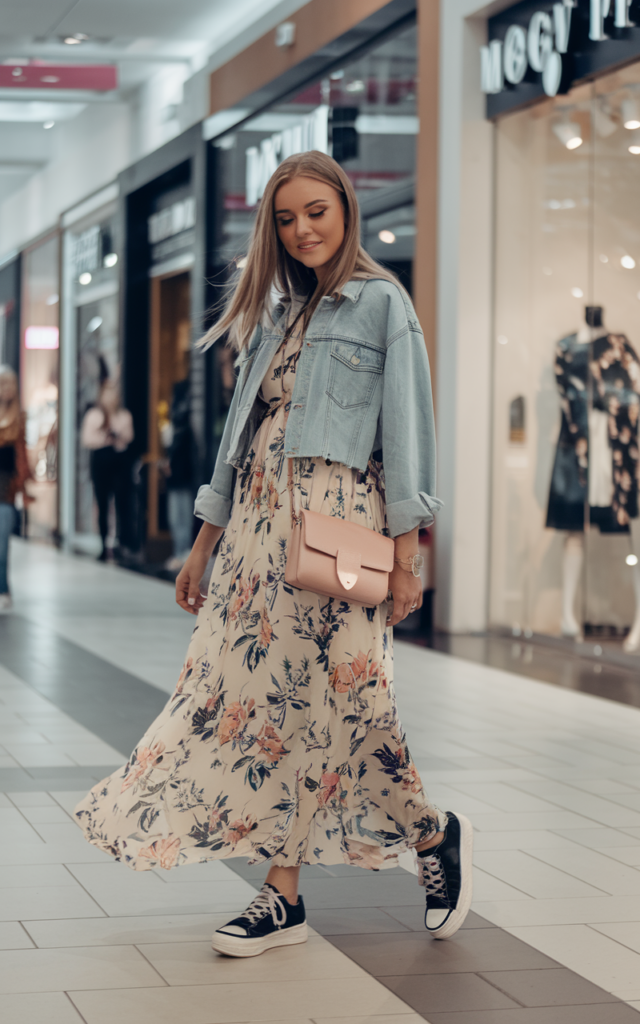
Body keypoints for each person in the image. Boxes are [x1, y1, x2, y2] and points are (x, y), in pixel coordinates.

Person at [75, 151, 473, 957]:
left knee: (356, 707)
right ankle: (282, 896)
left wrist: (409, 559)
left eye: (316, 212)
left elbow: (408, 442)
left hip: (342, 533)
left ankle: (432, 836)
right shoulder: (275, 311)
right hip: (258, 534)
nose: (302, 231)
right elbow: (237, 441)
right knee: (264, 714)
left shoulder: (382, 305)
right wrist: (201, 546)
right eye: (286, 219)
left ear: (346, 209)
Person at [81, 378, 134, 561]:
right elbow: (87, 439)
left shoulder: (124, 415)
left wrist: (117, 434)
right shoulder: (94, 416)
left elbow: (129, 437)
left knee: (122, 504)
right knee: (102, 505)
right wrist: (106, 437)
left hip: (119, 463)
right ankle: (103, 545)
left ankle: (122, 543)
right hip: (101, 462)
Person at [0, 365, 32, 611]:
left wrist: (23, 485)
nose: (6, 389)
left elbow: (21, 455)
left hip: (6, 488)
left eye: (10, 384)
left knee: (2, 542)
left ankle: (3, 587)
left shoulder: (19, 417)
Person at [161, 379, 195, 571]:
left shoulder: (183, 428)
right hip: (178, 479)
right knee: (178, 518)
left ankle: (183, 554)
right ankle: (180, 552)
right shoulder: (177, 428)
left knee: (180, 517)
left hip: (181, 478)